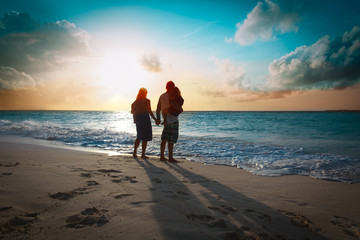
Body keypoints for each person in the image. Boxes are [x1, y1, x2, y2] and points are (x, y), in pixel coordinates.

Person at [156, 81, 184, 162]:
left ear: (166, 87)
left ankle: (162, 156)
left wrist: (158, 119)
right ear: (172, 87)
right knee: (171, 140)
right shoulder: (173, 96)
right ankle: (170, 157)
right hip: (173, 119)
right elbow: (181, 104)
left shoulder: (162, 96)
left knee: (164, 138)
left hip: (166, 120)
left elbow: (158, 109)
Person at [131, 88, 160, 159]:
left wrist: (134, 120)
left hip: (138, 119)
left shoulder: (134, 102)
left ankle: (135, 152)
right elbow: (149, 111)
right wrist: (155, 119)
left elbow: (133, 112)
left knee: (139, 136)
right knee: (145, 137)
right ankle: (143, 154)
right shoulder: (147, 101)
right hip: (145, 118)